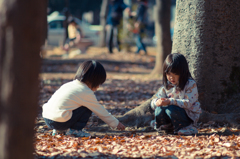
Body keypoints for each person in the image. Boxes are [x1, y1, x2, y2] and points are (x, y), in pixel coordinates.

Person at [42, 60, 125, 137]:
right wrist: (115, 123)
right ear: (93, 80)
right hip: (59, 122)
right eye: (98, 83)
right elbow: (100, 110)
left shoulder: (69, 85)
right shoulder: (85, 92)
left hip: (47, 118)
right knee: (87, 107)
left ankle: (57, 131)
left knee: (69, 106)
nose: (98, 87)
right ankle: (75, 130)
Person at [150, 53, 201, 135]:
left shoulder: (190, 84)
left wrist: (170, 101)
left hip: (188, 116)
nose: (171, 78)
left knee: (171, 109)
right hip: (172, 114)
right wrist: (157, 102)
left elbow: (188, 103)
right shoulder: (167, 86)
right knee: (159, 109)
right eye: (169, 74)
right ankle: (167, 126)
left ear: (183, 72)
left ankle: (188, 128)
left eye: (175, 74)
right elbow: (153, 102)